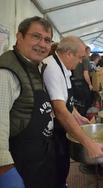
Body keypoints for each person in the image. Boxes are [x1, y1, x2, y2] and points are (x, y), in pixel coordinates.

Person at [42, 36, 103, 188]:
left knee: (62, 163)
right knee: (56, 168)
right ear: (68, 54)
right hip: (52, 130)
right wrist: (88, 143)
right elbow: (60, 110)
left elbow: (67, 102)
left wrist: (78, 117)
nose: (80, 62)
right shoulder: (51, 68)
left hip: (60, 129)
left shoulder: (64, 67)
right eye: (79, 57)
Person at [0, 16, 56, 188]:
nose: (42, 44)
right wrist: (6, 171)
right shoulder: (6, 73)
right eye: (36, 36)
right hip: (19, 167)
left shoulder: (35, 66)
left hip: (39, 161)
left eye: (47, 40)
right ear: (19, 37)